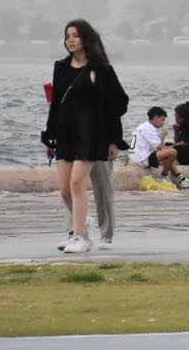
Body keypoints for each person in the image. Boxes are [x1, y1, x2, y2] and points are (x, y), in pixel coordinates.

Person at [42, 19, 129, 254]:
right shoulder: (61, 67)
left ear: (86, 39)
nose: (70, 40)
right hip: (66, 133)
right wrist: (50, 137)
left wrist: (114, 138)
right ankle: (83, 224)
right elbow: (56, 105)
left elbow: (118, 104)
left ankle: (82, 236)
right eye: (67, 35)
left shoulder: (100, 69)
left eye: (75, 35)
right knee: (64, 189)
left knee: (79, 182)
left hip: (92, 134)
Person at [131, 106, 188, 186]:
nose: (163, 122)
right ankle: (163, 176)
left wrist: (167, 147)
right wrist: (163, 135)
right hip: (142, 159)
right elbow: (160, 148)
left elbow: (159, 147)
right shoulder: (148, 128)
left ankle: (180, 177)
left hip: (137, 157)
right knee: (173, 152)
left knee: (168, 152)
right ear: (155, 117)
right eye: (162, 119)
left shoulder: (144, 126)